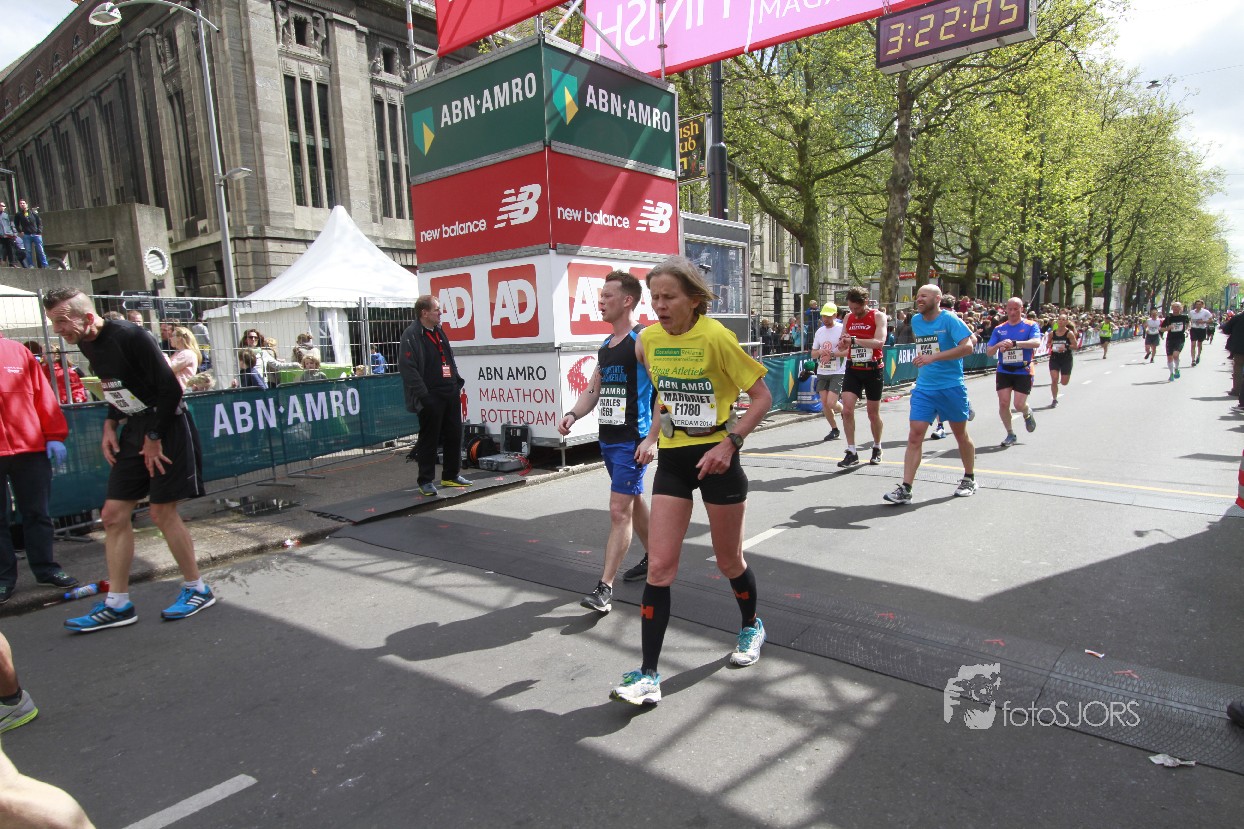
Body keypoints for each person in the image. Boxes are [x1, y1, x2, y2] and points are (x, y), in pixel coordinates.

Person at [610, 256, 772, 707]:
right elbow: (664, 395)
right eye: (655, 297)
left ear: (694, 299)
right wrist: (651, 436)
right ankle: (648, 675)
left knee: (729, 560)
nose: (659, 305)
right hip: (674, 459)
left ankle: (751, 625)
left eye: (669, 297)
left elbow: (762, 397)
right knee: (660, 567)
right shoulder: (648, 340)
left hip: (718, 458)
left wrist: (730, 444)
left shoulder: (716, 337)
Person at [43, 288, 214, 632]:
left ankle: (197, 588)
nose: (58, 330)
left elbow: (170, 389)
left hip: (167, 425)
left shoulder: (132, 336)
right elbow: (117, 388)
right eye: (52, 323)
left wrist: (154, 437)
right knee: (112, 515)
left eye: (61, 321)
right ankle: (118, 604)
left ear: (86, 317)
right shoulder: (86, 342)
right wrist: (111, 423)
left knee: (161, 512)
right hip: (134, 427)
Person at [558, 270, 654, 614]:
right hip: (609, 440)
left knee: (618, 510)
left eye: (607, 296)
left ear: (627, 301)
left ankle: (604, 588)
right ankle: (656, 555)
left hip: (632, 440)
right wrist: (573, 414)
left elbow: (662, 391)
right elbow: (592, 390)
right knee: (633, 500)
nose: (600, 302)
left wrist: (652, 438)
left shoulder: (642, 340)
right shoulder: (605, 346)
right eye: (600, 297)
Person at [0, 326, 79, 605]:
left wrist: (54, 435)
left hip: (30, 447)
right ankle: (3, 578)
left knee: (38, 513)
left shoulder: (18, 352)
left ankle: (46, 569)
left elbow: (43, 396)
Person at [883, 284, 977, 504]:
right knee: (915, 435)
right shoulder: (916, 321)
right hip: (924, 388)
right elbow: (927, 347)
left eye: (924, 296)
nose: (919, 299)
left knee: (960, 434)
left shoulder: (949, 319)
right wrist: (925, 358)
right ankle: (906, 488)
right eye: (918, 296)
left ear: (937, 298)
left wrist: (933, 358)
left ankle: (969, 478)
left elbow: (968, 347)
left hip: (951, 386)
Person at [399, 295, 470, 497]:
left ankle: (451, 475)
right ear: (424, 313)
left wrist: (456, 381)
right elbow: (407, 368)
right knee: (429, 438)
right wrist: (424, 395)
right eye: (437, 309)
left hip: (449, 391)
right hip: (430, 395)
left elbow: (448, 358)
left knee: (454, 434)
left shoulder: (439, 331)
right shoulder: (411, 335)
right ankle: (426, 480)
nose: (440, 313)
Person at [835, 287, 887, 468]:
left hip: (873, 369)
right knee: (847, 410)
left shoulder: (878, 316)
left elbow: (879, 342)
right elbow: (843, 344)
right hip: (853, 368)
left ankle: (877, 446)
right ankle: (852, 451)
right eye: (851, 308)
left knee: (873, 413)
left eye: (856, 308)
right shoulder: (848, 318)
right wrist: (842, 344)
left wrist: (854, 340)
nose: (854, 312)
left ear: (865, 302)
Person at [986, 297, 1040, 447]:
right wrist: (999, 344)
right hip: (1004, 369)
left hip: (1023, 369)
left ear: (1021, 309)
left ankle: (1027, 412)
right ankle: (1010, 433)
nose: (1012, 312)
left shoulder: (1030, 325)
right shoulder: (999, 329)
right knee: (1004, 403)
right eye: (1010, 309)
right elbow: (989, 352)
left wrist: (1015, 343)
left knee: (1018, 404)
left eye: (1016, 309)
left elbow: (1036, 342)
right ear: (1006, 310)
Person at [810, 303, 845, 441]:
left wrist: (832, 354)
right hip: (822, 371)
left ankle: (844, 410)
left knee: (831, 402)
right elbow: (813, 353)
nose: (825, 319)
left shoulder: (841, 329)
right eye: (823, 316)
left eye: (828, 316)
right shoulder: (820, 331)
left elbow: (848, 351)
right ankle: (834, 429)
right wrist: (820, 352)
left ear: (835, 315)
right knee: (824, 403)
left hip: (838, 371)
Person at [1044, 315, 1079, 406]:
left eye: (1063, 320)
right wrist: (1048, 345)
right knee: (1054, 379)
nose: (1061, 321)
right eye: (1059, 319)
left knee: (1064, 382)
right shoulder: (1052, 333)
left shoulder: (1069, 333)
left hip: (1066, 358)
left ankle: (1064, 378)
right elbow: (1048, 343)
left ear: (1066, 322)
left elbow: (1075, 346)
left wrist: (1066, 346)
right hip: (1055, 358)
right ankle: (1054, 399)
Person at [1160, 302, 1190, 382]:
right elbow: (1161, 329)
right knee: (1169, 357)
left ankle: (1176, 368)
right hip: (1170, 339)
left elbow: (1188, 325)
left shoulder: (1184, 317)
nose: (1176, 308)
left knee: (1175, 355)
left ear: (1181, 308)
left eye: (1177, 307)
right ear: (1172, 308)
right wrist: (1168, 328)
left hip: (1180, 338)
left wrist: (1187, 330)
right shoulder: (1169, 318)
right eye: (1174, 307)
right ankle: (1171, 373)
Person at [13, 200, 46, 269]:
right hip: (26, 235)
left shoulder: (32, 212)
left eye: (23, 203)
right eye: (21, 203)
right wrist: (20, 231)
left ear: (26, 204)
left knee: (40, 250)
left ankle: (45, 265)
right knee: (28, 251)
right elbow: (16, 224)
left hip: (36, 234)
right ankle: (31, 265)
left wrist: (39, 232)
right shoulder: (18, 214)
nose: (22, 204)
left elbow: (39, 222)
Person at [0, 200, 25, 268]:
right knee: (1, 250)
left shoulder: (7, 215)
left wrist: (14, 234)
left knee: (11, 250)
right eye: (1, 206)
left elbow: (12, 225)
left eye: (4, 206)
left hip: (9, 235)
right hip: (1, 236)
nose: (2, 207)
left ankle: (13, 263)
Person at [1188, 300, 1212, 367]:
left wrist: (1203, 321)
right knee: (1193, 344)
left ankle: (1198, 355)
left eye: (1199, 304)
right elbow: (1189, 320)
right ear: (1195, 305)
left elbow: (1211, 320)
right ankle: (1193, 360)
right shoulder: (1192, 312)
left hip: (1202, 329)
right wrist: (1189, 325)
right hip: (1193, 329)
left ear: (1202, 305)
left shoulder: (1205, 312)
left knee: (1199, 344)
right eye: (1197, 304)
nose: (1198, 305)